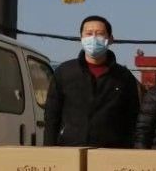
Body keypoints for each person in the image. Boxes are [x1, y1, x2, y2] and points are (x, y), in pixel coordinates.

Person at [44, 15, 139, 148]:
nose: (93, 38)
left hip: (111, 151)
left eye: (100, 34)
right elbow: (52, 116)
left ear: (110, 39)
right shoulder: (64, 72)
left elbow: (132, 119)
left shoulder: (124, 77)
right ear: (81, 38)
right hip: (70, 149)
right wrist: (49, 149)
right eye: (88, 34)